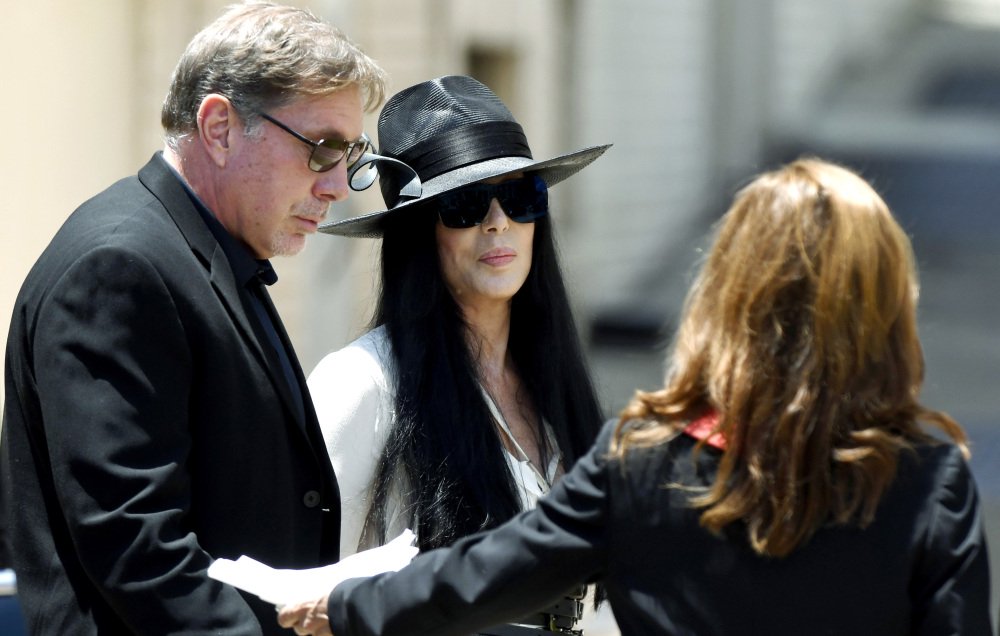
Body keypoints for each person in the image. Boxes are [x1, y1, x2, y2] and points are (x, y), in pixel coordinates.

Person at [280, 157, 994, 636]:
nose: (499, 224)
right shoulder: (931, 485)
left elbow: (484, 576)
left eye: (520, 201)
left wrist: (342, 605)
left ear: (726, 295)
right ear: (887, 304)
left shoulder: (642, 465)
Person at [0, 2, 386, 634]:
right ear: (219, 128)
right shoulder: (121, 267)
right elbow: (137, 546)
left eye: (352, 153)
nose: (338, 185)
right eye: (322, 151)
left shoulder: (203, 249)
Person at [306, 75, 610, 634]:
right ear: (419, 234)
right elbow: (307, 598)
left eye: (520, 196)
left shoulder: (552, 380)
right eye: (465, 205)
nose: (498, 222)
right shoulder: (362, 382)